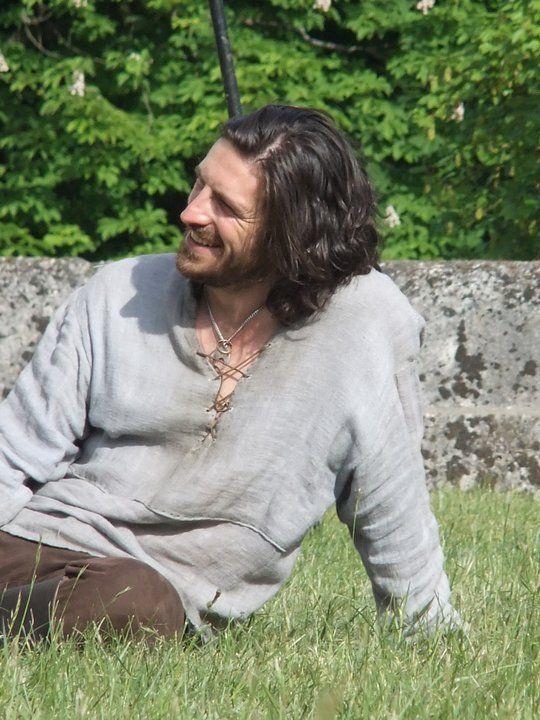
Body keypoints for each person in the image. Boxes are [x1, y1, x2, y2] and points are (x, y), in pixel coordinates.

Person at [0, 104, 460, 642]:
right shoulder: (116, 292)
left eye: (225, 205)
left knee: (137, 601)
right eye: (199, 185)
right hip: (28, 545)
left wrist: (429, 631)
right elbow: (14, 455)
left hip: (141, 597)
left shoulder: (362, 326)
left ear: (293, 232)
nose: (192, 213)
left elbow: (391, 497)